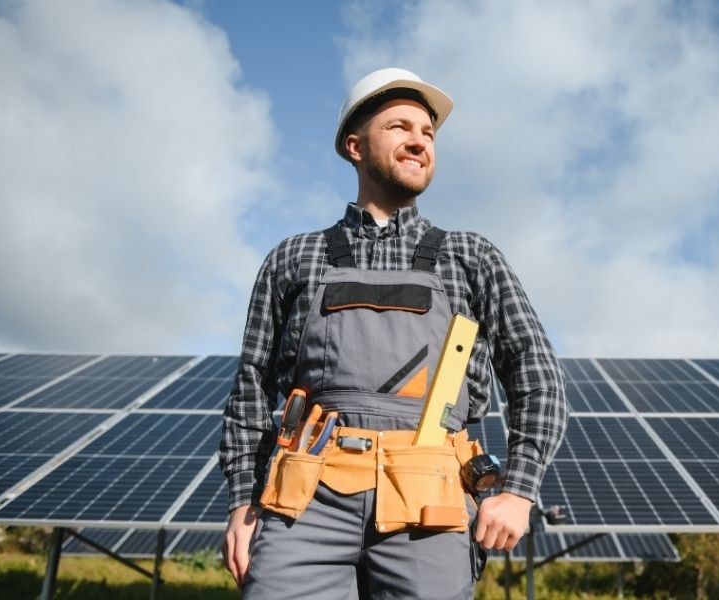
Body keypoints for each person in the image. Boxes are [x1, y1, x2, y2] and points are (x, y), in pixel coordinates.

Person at [219, 67, 567, 599]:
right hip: (303, 500)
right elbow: (249, 389)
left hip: (431, 498)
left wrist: (518, 487)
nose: (419, 141)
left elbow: (538, 376)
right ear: (355, 147)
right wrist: (244, 501)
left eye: (428, 133)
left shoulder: (470, 257)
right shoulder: (294, 258)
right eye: (400, 126)